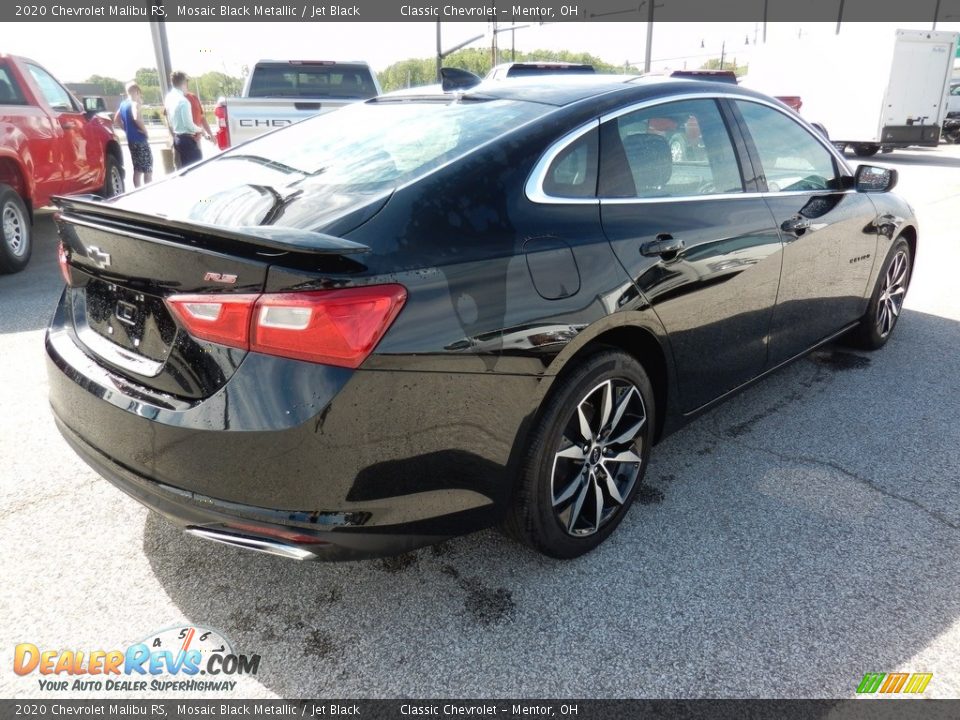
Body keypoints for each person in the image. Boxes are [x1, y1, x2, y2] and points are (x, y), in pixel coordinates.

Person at [113, 81, 152, 187]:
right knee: (148, 169)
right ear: (137, 91)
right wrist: (145, 131)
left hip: (131, 140)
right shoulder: (134, 104)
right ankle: (149, 191)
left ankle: (138, 191)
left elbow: (116, 120)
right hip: (140, 139)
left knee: (137, 169)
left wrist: (126, 129)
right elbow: (136, 118)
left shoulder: (123, 104)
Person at [164, 71, 203, 169]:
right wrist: (200, 130)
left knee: (183, 169)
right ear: (184, 83)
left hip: (177, 138)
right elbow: (189, 125)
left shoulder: (169, 98)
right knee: (195, 169)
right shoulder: (183, 101)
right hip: (187, 140)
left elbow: (168, 118)